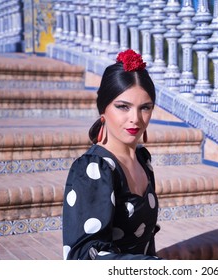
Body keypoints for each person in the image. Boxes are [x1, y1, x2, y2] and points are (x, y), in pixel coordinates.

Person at [62, 49, 160, 260]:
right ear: (103, 109)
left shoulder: (143, 159)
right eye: (123, 107)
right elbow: (84, 257)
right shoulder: (93, 169)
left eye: (145, 108)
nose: (135, 118)